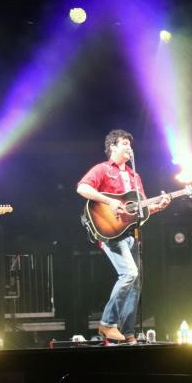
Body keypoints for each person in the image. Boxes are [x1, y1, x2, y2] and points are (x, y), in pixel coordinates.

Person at [77, 129, 170, 343]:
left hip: (130, 234)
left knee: (135, 282)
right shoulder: (102, 169)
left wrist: (159, 206)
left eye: (130, 144)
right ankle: (108, 323)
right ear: (113, 147)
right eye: (125, 144)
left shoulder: (134, 176)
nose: (129, 148)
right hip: (110, 232)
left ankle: (128, 333)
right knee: (129, 273)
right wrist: (109, 201)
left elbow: (142, 209)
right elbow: (82, 188)